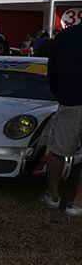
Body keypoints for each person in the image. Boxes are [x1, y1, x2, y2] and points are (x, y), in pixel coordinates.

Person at [39, 23, 82, 217]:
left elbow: (52, 68)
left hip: (71, 99)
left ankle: (53, 195)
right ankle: (77, 203)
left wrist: (60, 94)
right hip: (70, 96)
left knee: (58, 150)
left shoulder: (66, 36)